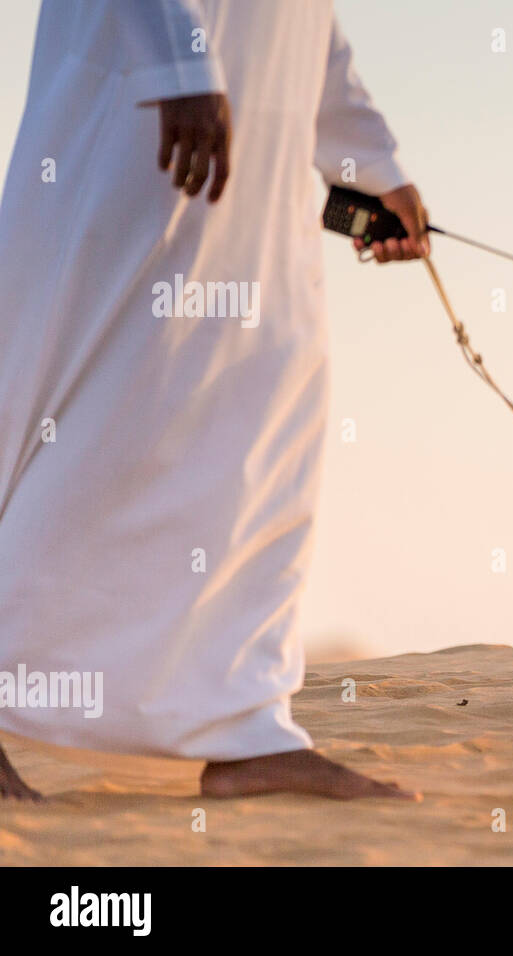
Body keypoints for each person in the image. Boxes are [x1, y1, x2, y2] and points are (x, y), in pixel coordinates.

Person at [0, 0, 428, 801]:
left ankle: (246, 730)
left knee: (265, 414)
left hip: (253, 166)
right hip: (141, 121)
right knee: (61, 402)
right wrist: (180, 64)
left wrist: (370, 163)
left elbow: (305, 21)